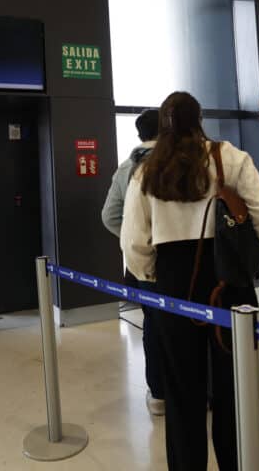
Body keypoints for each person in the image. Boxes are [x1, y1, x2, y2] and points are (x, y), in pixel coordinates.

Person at [121, 92, 259, 471]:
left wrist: (152, 277)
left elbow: (133, 241)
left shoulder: (147, 170)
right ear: (200, 119)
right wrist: (252, 260)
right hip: (229, 284)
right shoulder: (231, 157)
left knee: (182, 389)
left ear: (162, 125)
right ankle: (236, 463)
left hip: (174, 287)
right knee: (234, 386)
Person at [101, 109, 165, 415]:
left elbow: (109, 215)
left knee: (153, 325)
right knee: (192, 321)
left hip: (143, 263)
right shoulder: (186, 163)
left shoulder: (127, 168)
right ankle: (201, 390)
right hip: (187, 262)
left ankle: (159, 394)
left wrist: (133, 237)